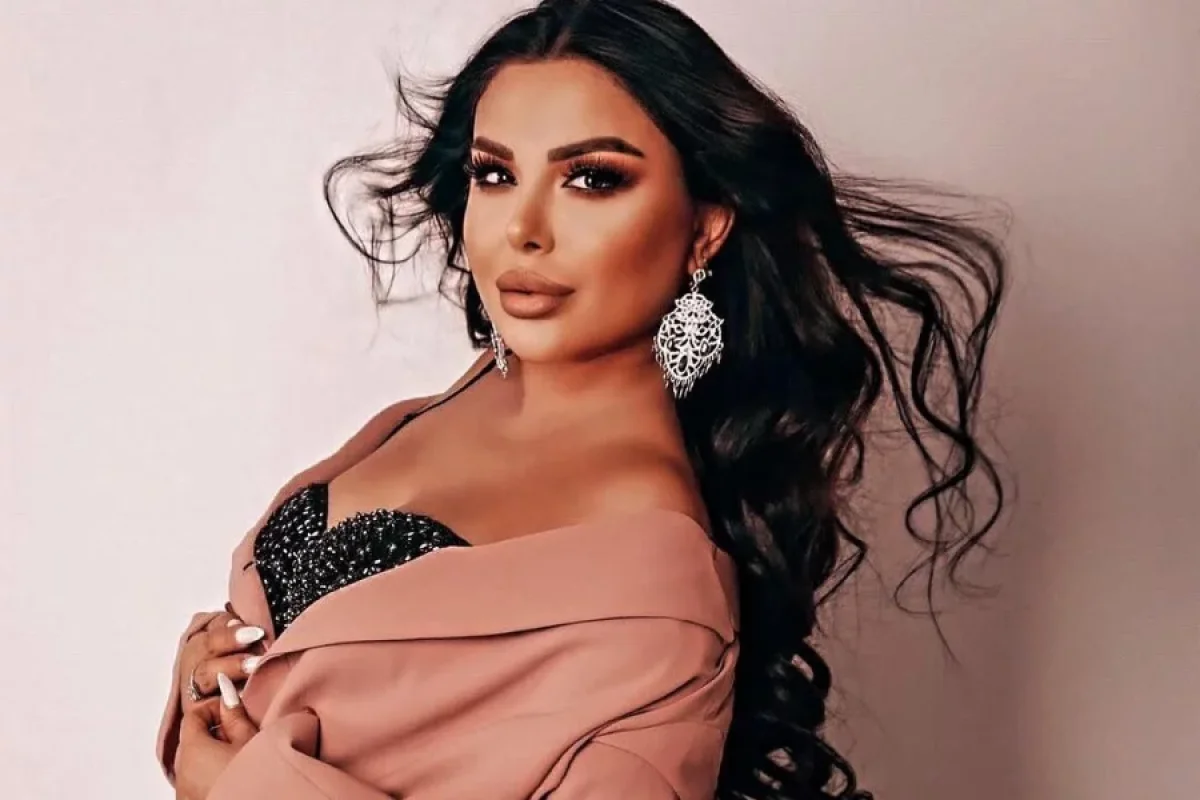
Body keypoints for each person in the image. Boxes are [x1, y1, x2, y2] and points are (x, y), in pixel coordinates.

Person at [155, 0, 1008, 797]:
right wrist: (208, 676)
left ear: (704, 227)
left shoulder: (659, 594)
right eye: (495, 174)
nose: (523, 230)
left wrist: (243, 788)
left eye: (592, 179)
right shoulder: (444, 403)